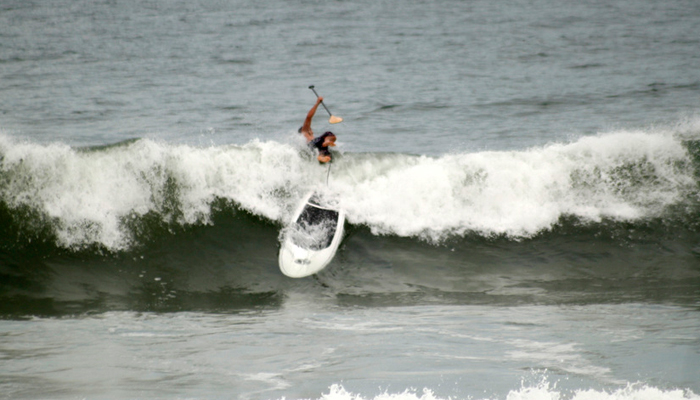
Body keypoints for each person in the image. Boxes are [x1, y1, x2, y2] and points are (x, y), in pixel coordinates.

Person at [300, 96, 336, 163]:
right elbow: (308, 117)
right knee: (328, 134)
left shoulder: (309, 138)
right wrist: (317, 103)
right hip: (312, 144)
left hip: (313, 147)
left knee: (327, 153)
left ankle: (321, 157)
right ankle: (326, 142)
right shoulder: (305, 131)